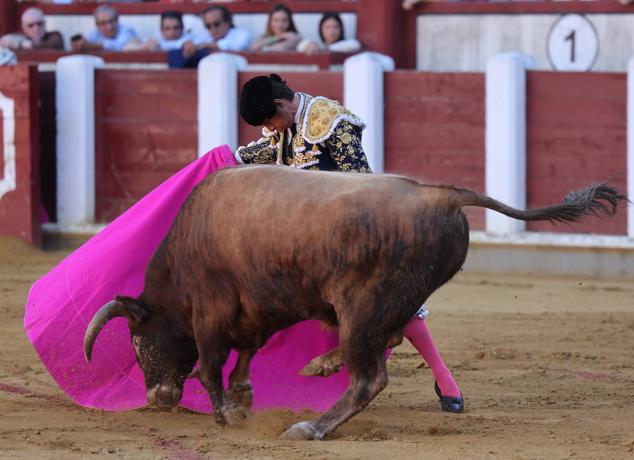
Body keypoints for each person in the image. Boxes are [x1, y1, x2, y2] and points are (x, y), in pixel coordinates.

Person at [235, 74, 464, 413]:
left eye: (269, 120)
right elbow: (249, 157)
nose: (269, 128)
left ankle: (444, 376)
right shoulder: (283, 131)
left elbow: (362, 183)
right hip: (310, 243)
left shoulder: (330, 121)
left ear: (280, 105)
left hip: (350, 236)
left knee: (387, 304)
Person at [168, 6, 251, 69]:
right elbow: (182, 44)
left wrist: (208, 46)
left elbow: (238, 45)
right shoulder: (205, 37)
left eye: (216, 24)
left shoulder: (242, 34)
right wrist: (186, 44)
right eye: (208, 26)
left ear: (228, 21)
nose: (213, 29)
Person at [70, 5, 140, 52]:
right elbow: (86, 44)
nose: (109, 27)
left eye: (111, 21)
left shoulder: (127, 30)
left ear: (117, 20)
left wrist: (91, 46)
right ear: (97, 25)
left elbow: (119, 47)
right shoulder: (94, 33)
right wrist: (79, 45)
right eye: (103, 23)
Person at [127, 10, 198, 52]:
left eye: (175, 28)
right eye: (167, 28)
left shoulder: (191, 39)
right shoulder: (155, 38)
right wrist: (142, 47)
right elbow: (127, 48)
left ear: (182, 28)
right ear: (161, 30)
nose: (172, 32)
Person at [297, 12, 361, 55]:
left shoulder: (348, 45)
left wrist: (326, 49)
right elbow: (300, 46)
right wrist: (309, 45)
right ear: (321, 29)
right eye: (327, 27)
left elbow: (355, 45)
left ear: (341, 29)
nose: (332, 31)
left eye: (336, 27)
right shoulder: (318, 46)